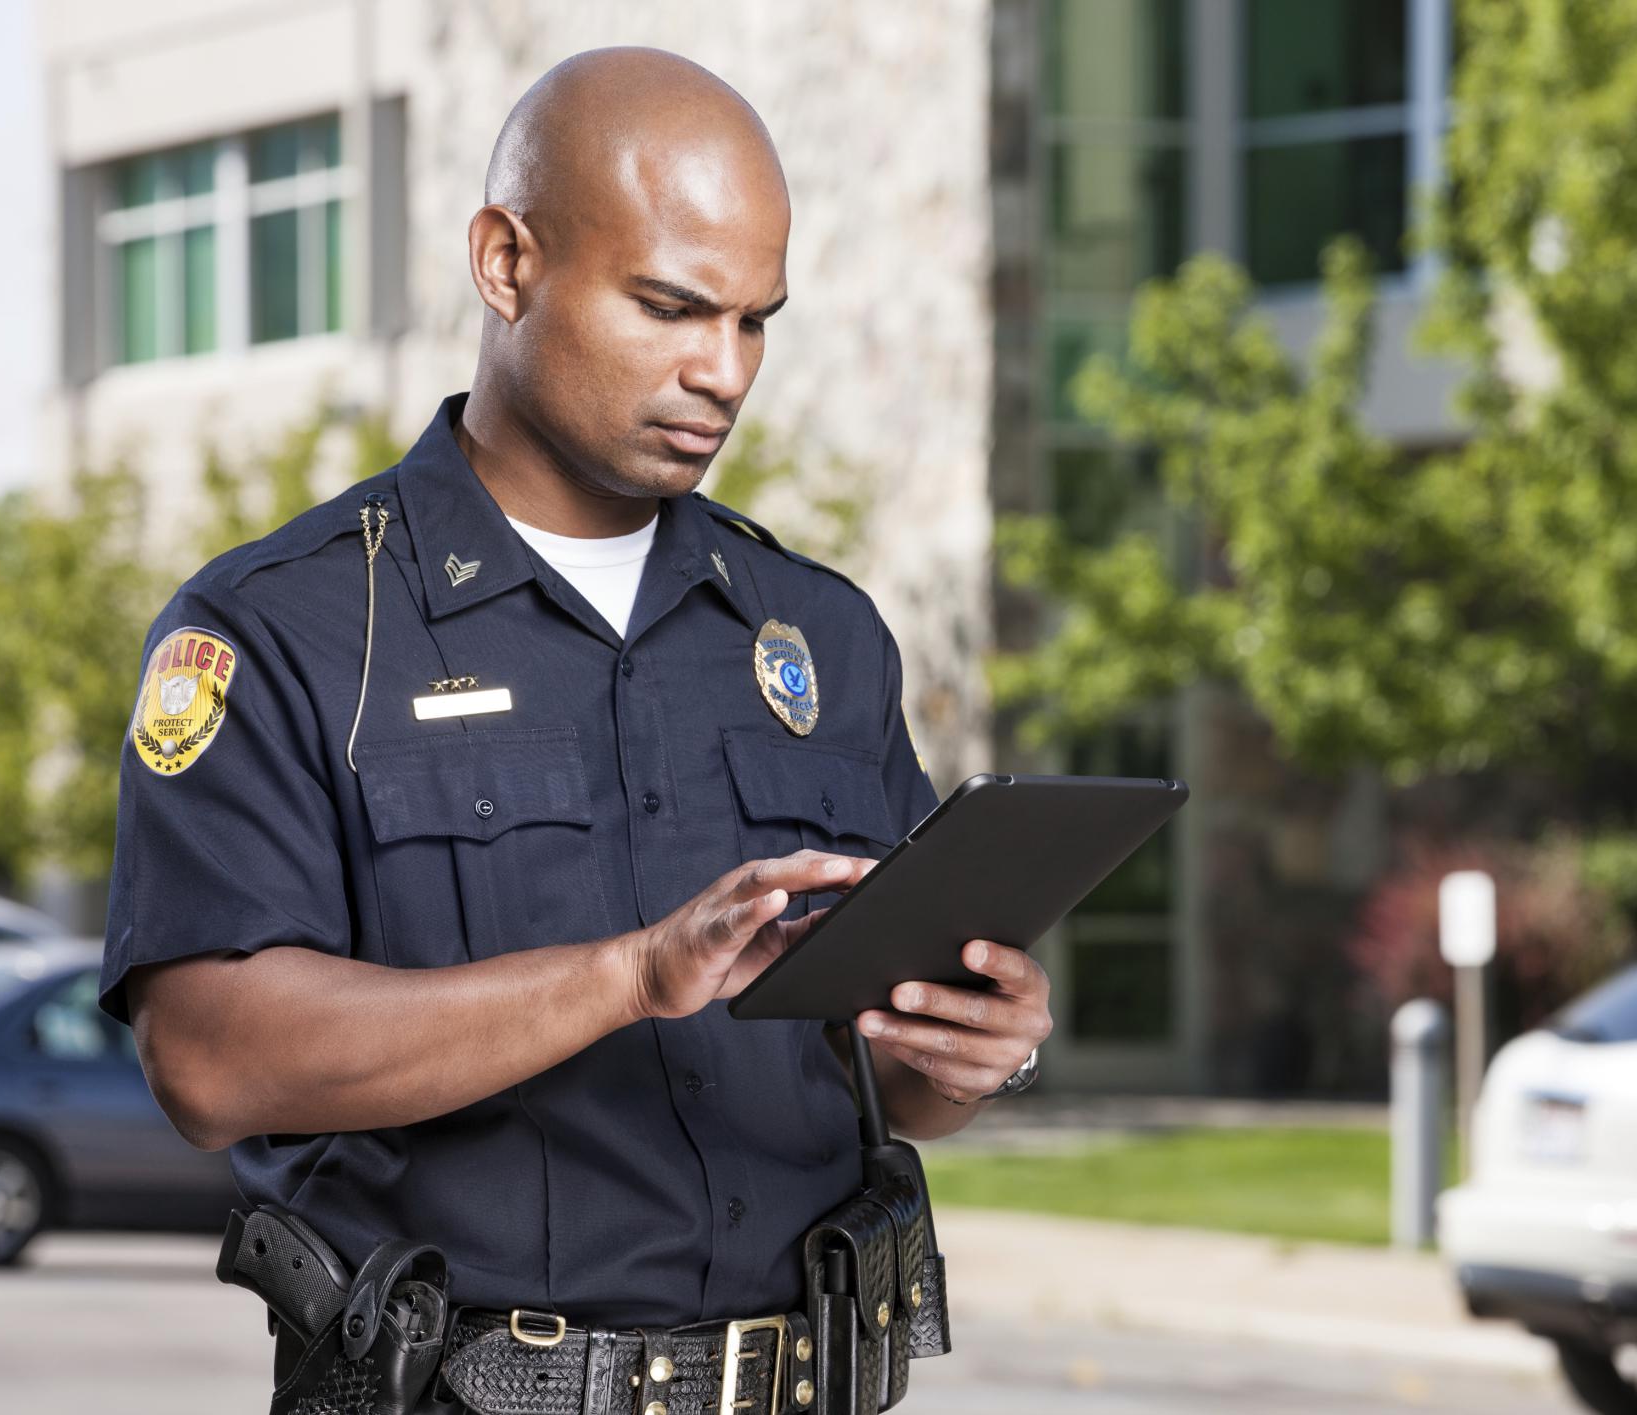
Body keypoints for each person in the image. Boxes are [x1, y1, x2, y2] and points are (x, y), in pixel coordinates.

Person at [99, 45, 1052, 1415]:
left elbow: (890, 1085)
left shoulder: (818, 635)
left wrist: (967, 1051)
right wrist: (631, 976)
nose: (721, 371)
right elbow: (209, 1061)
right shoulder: (288, 630)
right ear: (506, 263)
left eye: (753, 321)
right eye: (669, 307)